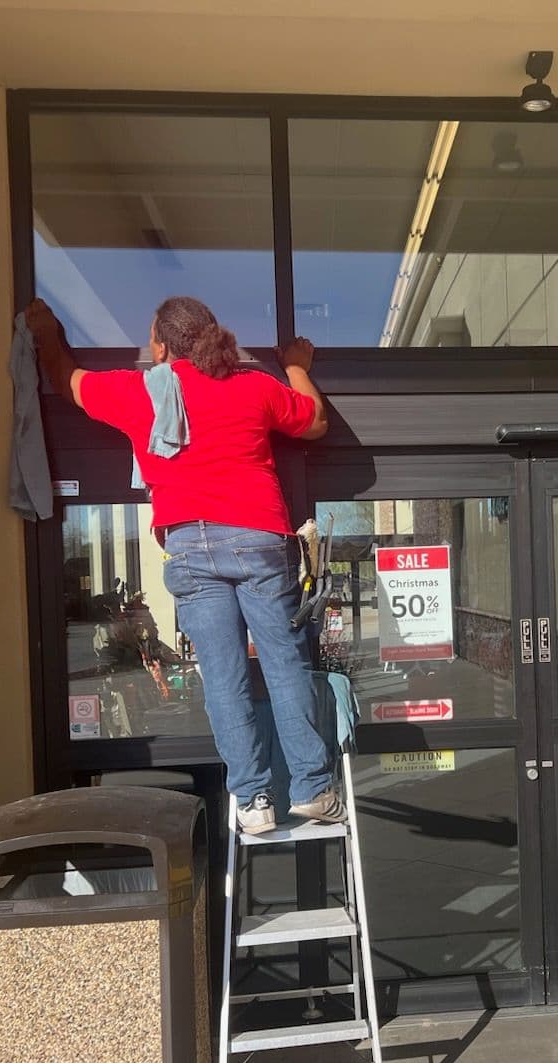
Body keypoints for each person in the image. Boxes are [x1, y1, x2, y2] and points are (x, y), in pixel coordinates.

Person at [24, 295, 338, 834]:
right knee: (284, 667)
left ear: (162, 346)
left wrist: (48, 333)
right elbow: (316, 423)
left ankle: (253, 802)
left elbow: (68, 381)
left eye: (150, 337)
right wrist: (295, 366)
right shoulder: (253, 385)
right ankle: (313, 789)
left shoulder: (139, 392)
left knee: (223, 679)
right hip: (257, 537)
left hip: (188, 545)